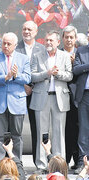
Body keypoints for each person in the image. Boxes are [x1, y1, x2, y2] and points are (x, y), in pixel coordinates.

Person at [29, 30, 73, 174]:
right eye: (46, 40)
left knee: (59, 132)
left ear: (57, 42)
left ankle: (59, 165)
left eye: (51, 40)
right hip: (42, 97)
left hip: (60, 98)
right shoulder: (37, 56)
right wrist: (46, 73)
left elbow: (69, 75)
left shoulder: (65, 56)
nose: (48, 43)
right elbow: (32, 76)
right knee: (42, 132)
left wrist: (57, 73)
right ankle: (42, 165)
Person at [0, 32, 31, 162]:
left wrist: (16, 76)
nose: (5, 46)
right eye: (4, 43)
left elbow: (28, 78)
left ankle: (17, 163)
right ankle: (0, 164)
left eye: (8, 44)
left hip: (17, 101)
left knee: (16, 135)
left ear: (15, 45)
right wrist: (5, 77)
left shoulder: (23, 58)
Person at [16, 20, 45, 166]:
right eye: (24, 29)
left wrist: (31, 86)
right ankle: (16, 161)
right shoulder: (16, 48)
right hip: (19, 92)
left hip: (36, 92)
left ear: (36, 32)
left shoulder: (42, 48)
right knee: (16, 128)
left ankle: (37, 162)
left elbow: (42, 70)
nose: (26, 32)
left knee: (36, 127)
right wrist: (24, 85)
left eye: (29, 29)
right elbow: (13, 68)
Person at [61, 25, 79, 170]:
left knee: (77, 127)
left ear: (75, 39)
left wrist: (75, 64)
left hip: (77, 97)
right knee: (64, 129)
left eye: (71, 37)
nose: (68, 40)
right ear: (62, 39)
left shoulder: (81, 53)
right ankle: (64, 161)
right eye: (66, 37)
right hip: (60, 96)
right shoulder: (58, 53)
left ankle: (78, 159)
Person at [73, 25, 89, 174]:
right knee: (84, 130)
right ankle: (82, 162)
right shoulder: (81, 50)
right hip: (84, 95)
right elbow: (76, 69)